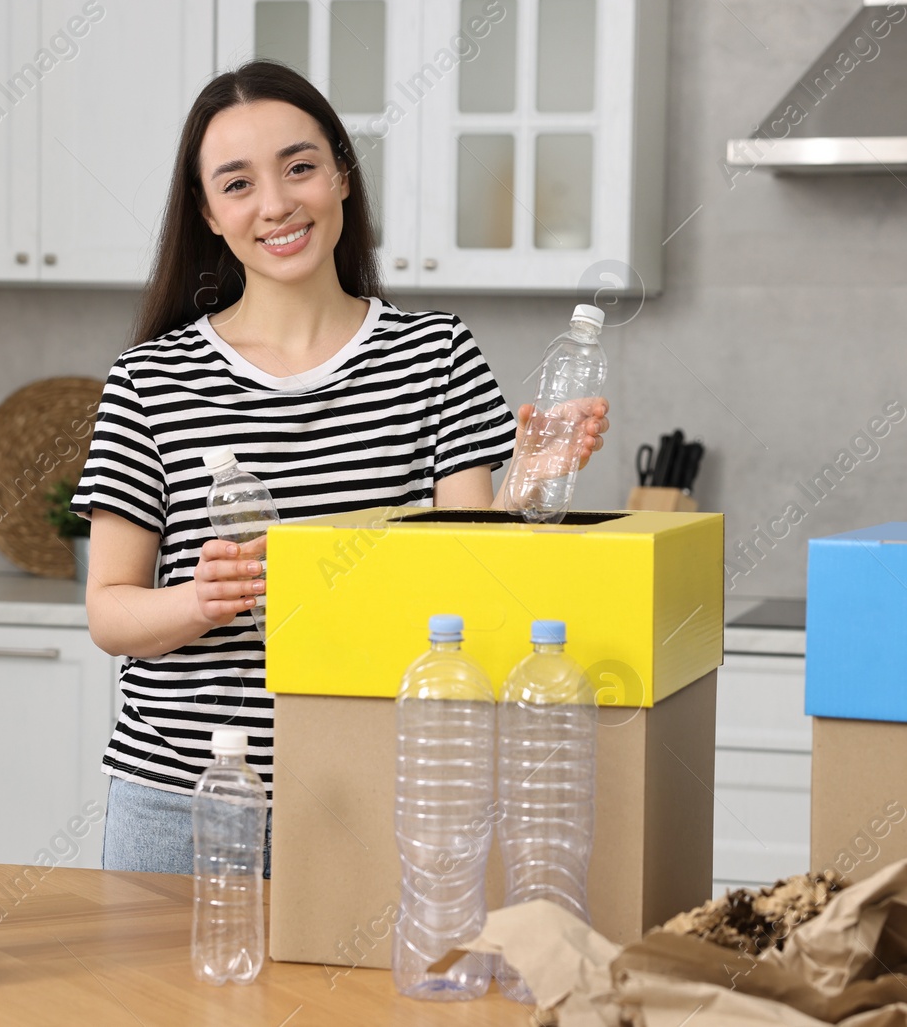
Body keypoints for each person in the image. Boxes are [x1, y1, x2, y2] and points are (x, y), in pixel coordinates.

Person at [71, 60, 610, 875]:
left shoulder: (436, 357)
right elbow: (111, 612)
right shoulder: (150, 379)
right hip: (179, 800)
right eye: (238, 183)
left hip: (375, 789)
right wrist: (197, 601)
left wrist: (528, 484)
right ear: (209, 214)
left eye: (299, 167)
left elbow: (466, 575)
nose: (277, 203)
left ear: (342, 178)